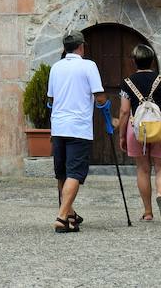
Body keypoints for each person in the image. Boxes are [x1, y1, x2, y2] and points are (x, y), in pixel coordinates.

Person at [47, 31, 107, 233]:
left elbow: (51, 100)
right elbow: (99, 97)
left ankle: (70, 215)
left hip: (58, 126)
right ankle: (62, 217)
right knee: (75, 172)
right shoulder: (88, 65)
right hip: (79, 127)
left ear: (65, 48)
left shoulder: (55, 67)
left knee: (62, 173)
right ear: (81, 47)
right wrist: (106, 109)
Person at [116, 44, 161, 223]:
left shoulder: (127, 83)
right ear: (152, 61)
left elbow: (124, 111)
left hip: (137, 131)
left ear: (134, 61)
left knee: (143, 169)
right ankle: (160, 193)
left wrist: (122, 135)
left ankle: (148, 212)